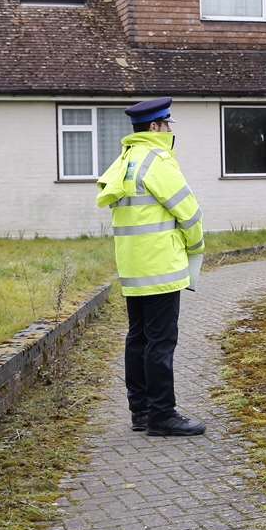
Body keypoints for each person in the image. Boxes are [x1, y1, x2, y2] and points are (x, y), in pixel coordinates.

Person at [96, 97, 206, 437]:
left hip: (133, 267)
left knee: (138, 339)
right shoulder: (158, 161)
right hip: (161, 267)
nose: (170, 130)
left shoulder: (125, 160)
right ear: (155, 127)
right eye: (167, 124)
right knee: (161, 342)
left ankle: (141, 412)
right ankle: (162, 415)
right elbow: (188, 212)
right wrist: (195, 248)